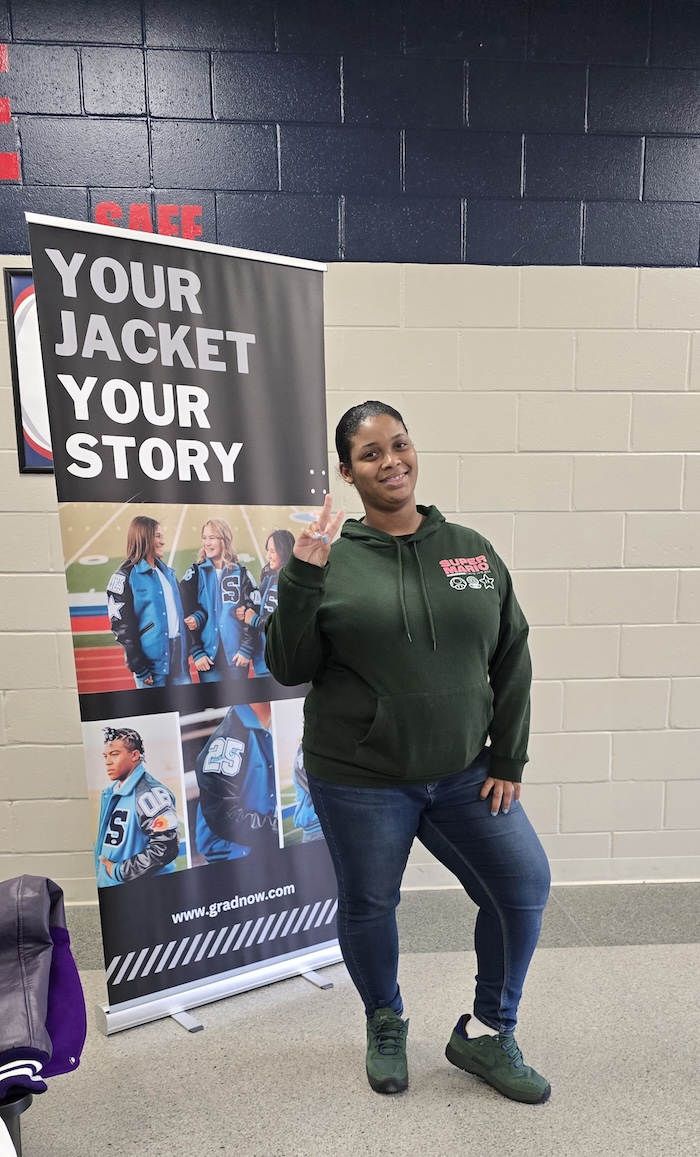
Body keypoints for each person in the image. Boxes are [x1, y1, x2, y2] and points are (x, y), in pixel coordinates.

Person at [265, 400, 551, 1104]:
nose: (390, 460)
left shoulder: (470, 549)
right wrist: (301, 575)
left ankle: (486, 1030)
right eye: (370, 453)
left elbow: (512, 654)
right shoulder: (330, 559)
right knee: (369, 902)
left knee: (522, 888)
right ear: (347, 471)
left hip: (464, 776)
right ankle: (384, 1019)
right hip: (361, 778)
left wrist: (508, 756)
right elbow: (288, 664)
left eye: (398, 444)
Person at [107, 516, 190, 688]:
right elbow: (122, 627)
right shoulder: (124, 577)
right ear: (144, 537)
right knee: (156, 714)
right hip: (151, 667)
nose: (162, 542)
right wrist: (139, 666)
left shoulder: (167, 573)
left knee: (187, 714)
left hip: (179, 664)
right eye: (158, 536)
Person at [95, 727, 180, 887]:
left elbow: (165, 847)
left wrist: (119, 871)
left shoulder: (149, 794)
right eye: (105, 756)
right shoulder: (113, 791)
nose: (108, 761)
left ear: (134, 755)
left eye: (114, 754)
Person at [194, 703, 278, 861]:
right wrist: (274, 827)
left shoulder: (264, 729)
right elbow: (223, 816)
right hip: (233, 853)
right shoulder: (232, 737)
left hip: (254, 845)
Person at [180, 518, 257, 682]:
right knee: (214, 708)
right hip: (208, 659)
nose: (207, 543)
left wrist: (246, 647)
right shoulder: (195, 572)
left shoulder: (241, 572)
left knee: (239, 707)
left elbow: (254, 609)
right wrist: (197, 650)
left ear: (225, 539)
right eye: (204, 537)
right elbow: (182, 612)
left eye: (212, 537)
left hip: (236, 657)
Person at [241, 528, 296, 676]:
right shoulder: (268, 579)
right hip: (262, 662)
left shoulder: (292, 584)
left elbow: (284, 627)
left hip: (279, 666)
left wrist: (254, 619)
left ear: (284, 551)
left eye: (273, 551)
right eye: (268, 550)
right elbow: (256, 607)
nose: (268, 556)